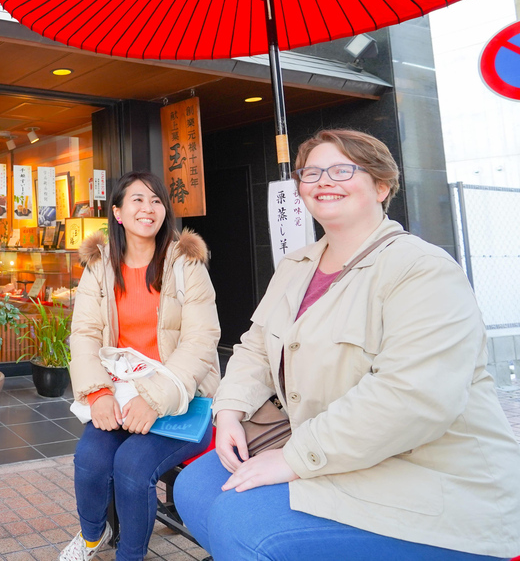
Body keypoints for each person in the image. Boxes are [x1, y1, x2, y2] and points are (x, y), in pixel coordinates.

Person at [174, 129, 520, 561]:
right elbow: (256, 346)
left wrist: (293, 459)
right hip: (338, 452)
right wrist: (228, 412)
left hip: (425, 472)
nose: (323, 181)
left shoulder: (422, 269)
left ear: (381, 185)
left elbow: (412, 397)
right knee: (195, 486)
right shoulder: (295, 266)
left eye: (341, 170)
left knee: (243, 525)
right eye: (311, 172)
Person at [60, 171, 220, 561]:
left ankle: (129, 555)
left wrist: (155, 398)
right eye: (137, 200)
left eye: (156, 201)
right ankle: (94, 536)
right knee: (91, 460)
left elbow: (201, 341)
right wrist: (97, 394)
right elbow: (83, 334)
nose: (148, 209)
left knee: (132, 467)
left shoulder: (187, 265)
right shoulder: (99, 267)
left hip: (182, 395)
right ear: (117, 212)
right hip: (119, 392)